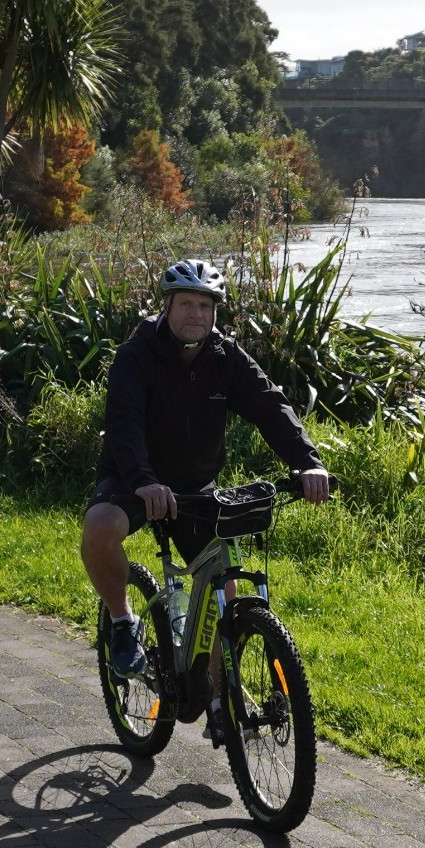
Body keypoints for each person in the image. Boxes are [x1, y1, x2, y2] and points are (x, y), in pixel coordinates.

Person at [83, 259, 332, 681]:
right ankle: (123, 621)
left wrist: (307, 462)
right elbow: (124, 425)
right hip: (135, 480)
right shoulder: (136, 356)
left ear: (215, 311)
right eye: (186, 304)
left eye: (205, 305)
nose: (196, 314)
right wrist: (144, 481)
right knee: (100, 526)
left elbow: (271, 407)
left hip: (196, 486)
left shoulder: (225, 356)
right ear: (167, 306)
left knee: (225, 586)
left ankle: (220, 699)